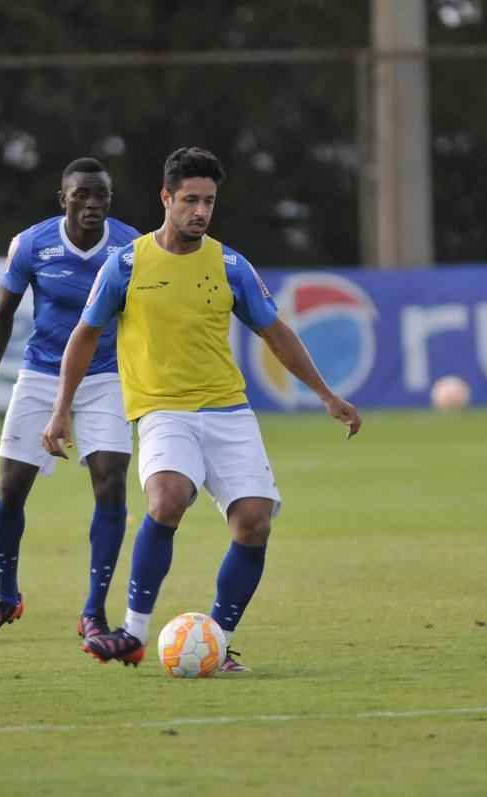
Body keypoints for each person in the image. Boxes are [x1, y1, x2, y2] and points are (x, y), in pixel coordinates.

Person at [42, 147, 361, 670]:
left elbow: (275, 332)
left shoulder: (231, 265)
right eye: (189, 200)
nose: (200, 211)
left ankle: (216, 639)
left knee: (254, 523)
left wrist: (327, 394)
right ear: (166, 198)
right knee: (167, 500)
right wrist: (60, 410)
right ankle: (133, 632)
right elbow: (83, 337)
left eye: (208, 201)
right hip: (162, 410)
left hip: (228, 412)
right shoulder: (126, 264)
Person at [0, 158, 139, 642]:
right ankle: (5, 597)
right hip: (41, 374)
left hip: (105, 377)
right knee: (11, 489)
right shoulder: (31, 244)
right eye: (81, 194)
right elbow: (2, 315)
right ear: (62, 199)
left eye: (100, 195)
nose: (92, 204)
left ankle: (94, 611)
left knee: (111, 484)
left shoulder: (131, 247)